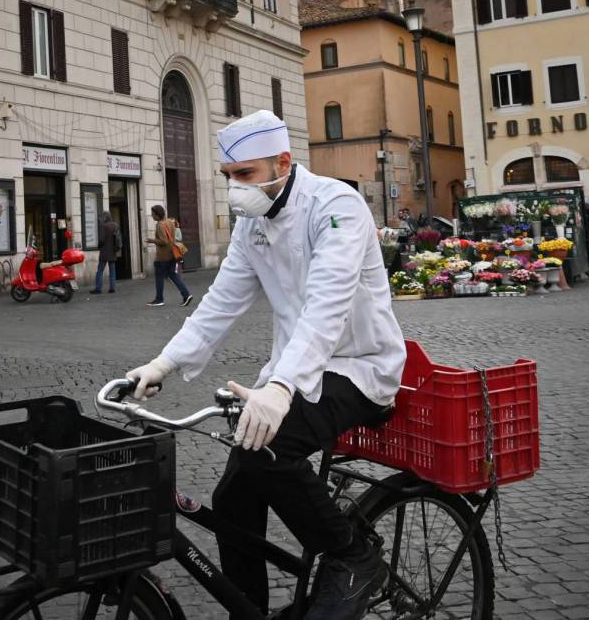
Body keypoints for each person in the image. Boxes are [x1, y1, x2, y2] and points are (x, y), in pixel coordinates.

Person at [126, 110, 405, 620]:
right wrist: (162, 364)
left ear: (283, 161)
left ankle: (353, 557)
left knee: (270, 446)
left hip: (360, 367)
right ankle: (247, 610)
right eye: (229, 177)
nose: (236, 189)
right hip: (293, 373)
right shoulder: (252, 223)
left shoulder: (335, 204)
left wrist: (282, 387)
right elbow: (220, 302)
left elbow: (328, 304)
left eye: (246, 175)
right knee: (233, 496)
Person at [145, 204, 193, 307]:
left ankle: (159, 299)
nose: (152, 216)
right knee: (172, 275)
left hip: (163, 256)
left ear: (157, 215)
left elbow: (164, 241)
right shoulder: (170, 222)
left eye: (153, 214)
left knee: (159, 276)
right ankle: (186, 295)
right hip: (172, 254)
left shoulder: (160, 225)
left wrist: (151, 240)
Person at [90, 211, 119, 294]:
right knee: (112, 270)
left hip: (105, 251)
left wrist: (99, 246)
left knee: (100, 270)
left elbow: (102, 239)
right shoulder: (115, 225)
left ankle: (98, 288)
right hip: (113, 251)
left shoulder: (104, 226)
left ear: (105, 218)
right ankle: (112, 288)